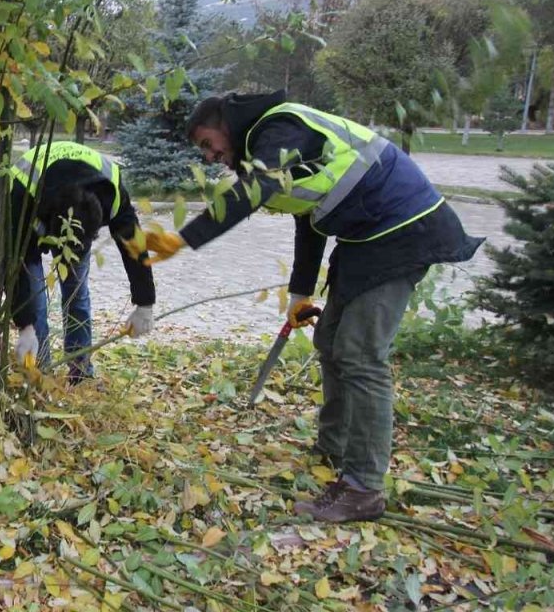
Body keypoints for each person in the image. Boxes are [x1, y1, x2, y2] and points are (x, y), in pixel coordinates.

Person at [147, 91, 484, 522]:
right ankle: (335, 449)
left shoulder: (280, 128)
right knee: (330, 341)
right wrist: (300, 292)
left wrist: (185, 237)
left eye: (207, 141)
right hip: (367, 238)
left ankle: (363, 488)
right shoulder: (269, 146)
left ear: (225, 121)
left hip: (404, 231)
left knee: (360, 356)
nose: (210, 155)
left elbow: (255, 191)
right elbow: (308, 215)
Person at [9, 141, 156, 383]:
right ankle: (37, 373)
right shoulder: (22, 192)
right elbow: (17, 264)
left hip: (74, 211)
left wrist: (145, 303)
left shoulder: (112, 192)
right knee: (35, 302)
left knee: (76, 293)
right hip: (31, 219)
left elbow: (135, 247)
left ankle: (81, 371)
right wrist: (25, 325)